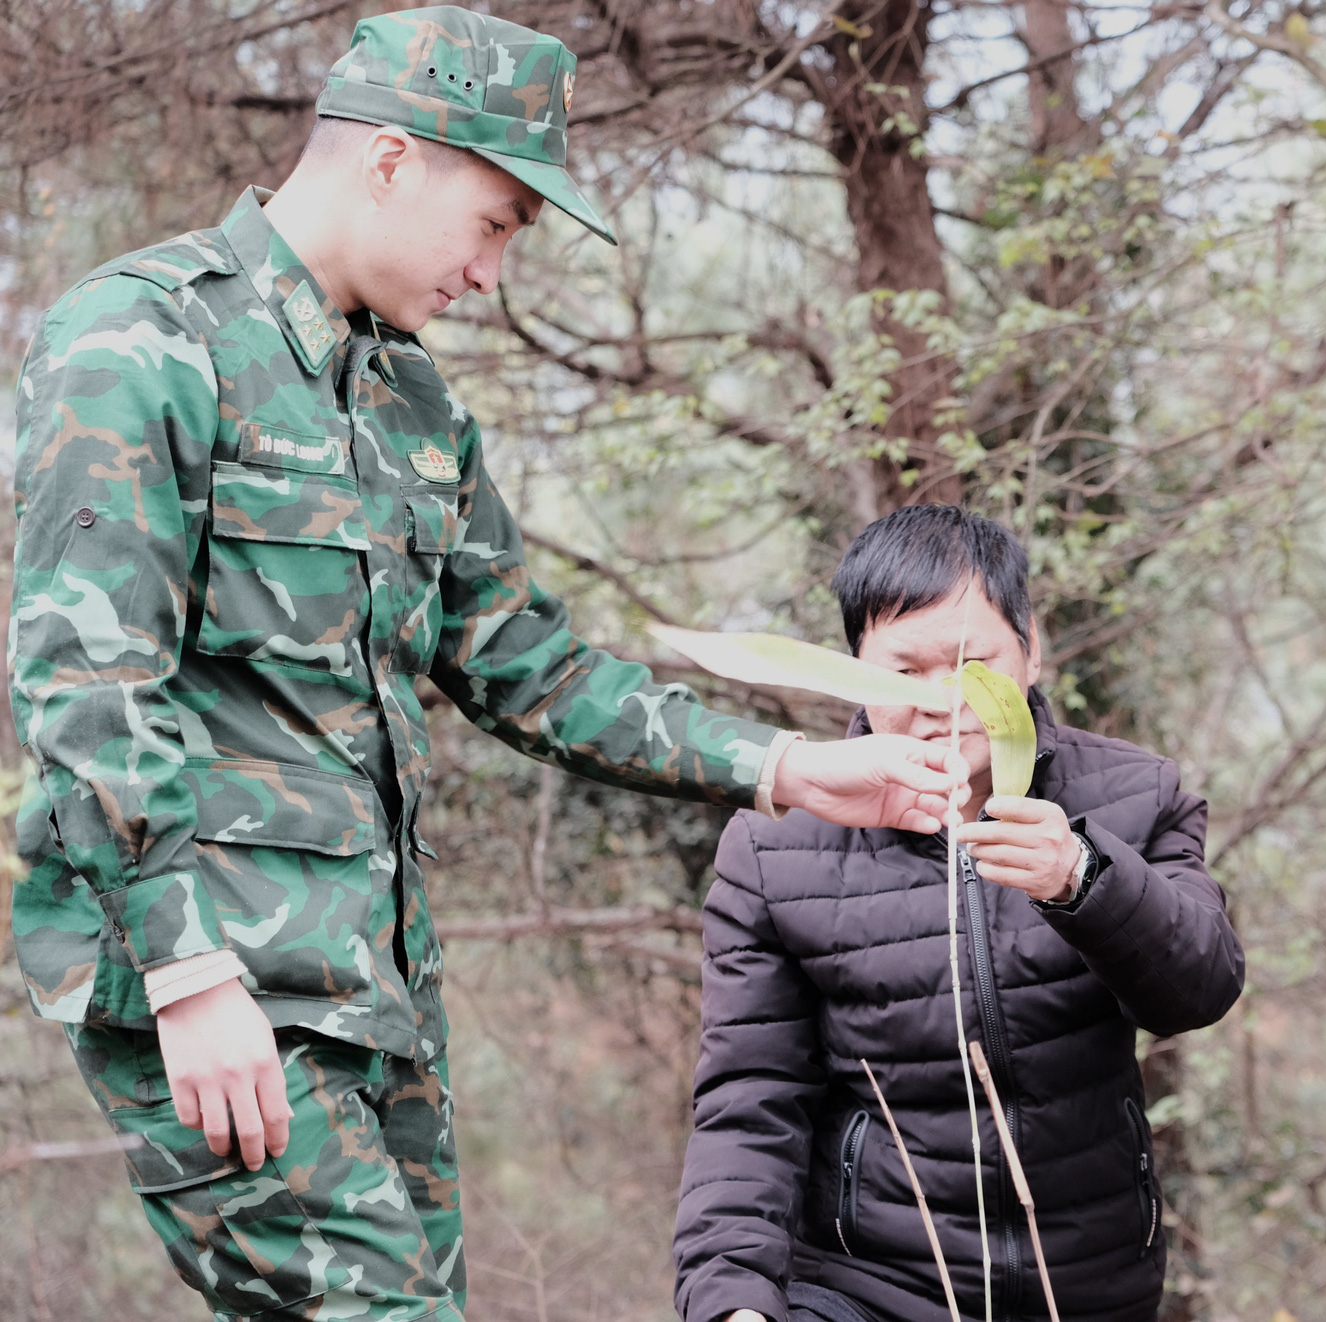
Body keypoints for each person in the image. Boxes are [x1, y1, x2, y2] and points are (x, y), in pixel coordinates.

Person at [8, 9, 965, 1321]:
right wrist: (184, 970)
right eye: (501, 220)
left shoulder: (410, 404)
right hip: (216, 981)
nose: (494, 272)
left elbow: (525, 660)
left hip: (373, 995)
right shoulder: (141, 340)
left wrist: (792, 764)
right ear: (393, 159)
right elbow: (86, 682)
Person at [672, 503, 1246, 1322]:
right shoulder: (774, 846)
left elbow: (1201, 989)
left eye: (976, 666)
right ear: (855, 665)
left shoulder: (1133, 793)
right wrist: (732, 1300)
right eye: (904, 673)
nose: (944, 702)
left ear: (1032, 649)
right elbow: (750, 1097)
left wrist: (1083, 877)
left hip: (1087, 1283)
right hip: (862, 1288)